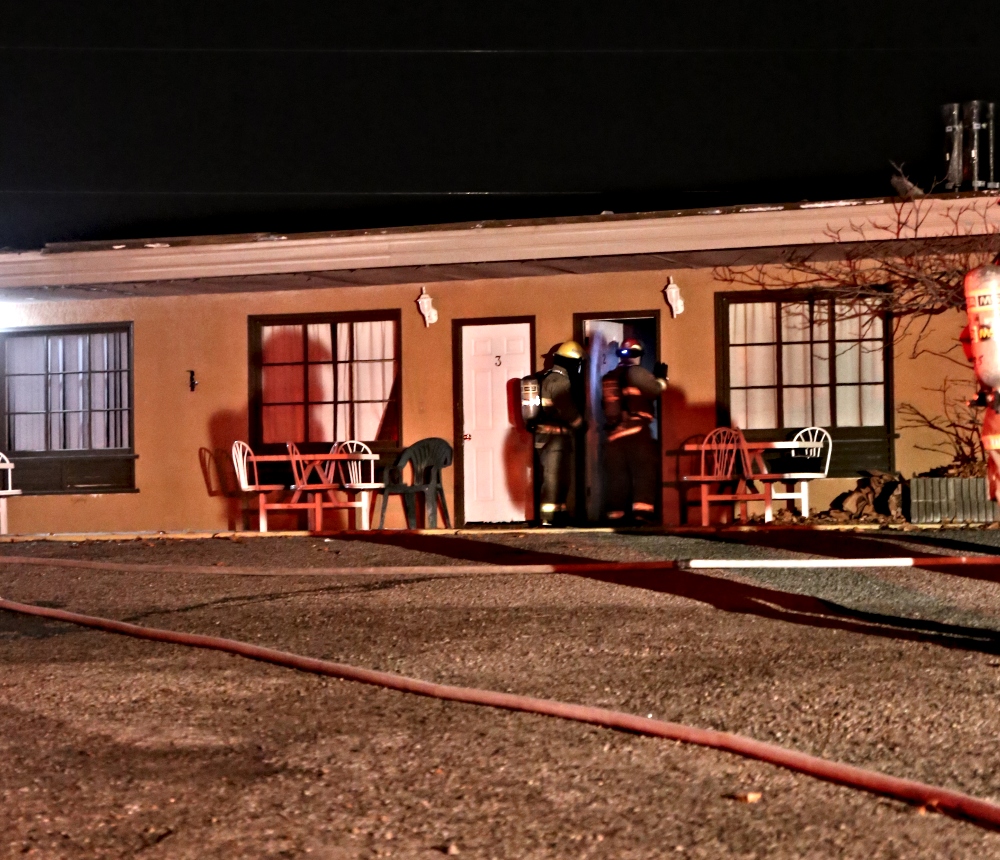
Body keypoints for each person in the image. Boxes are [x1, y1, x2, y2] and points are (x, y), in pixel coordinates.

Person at [601, 338, 668, 525]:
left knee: (617, 478)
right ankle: (642, 517)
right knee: (644, 474)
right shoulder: (637, 372)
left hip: (613, 436)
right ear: (638, 355)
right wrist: (662, 379)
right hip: (637, 433)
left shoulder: (608, 378)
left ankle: (615, 518)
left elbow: (604, 406)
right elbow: (655, 390)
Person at [534, 340, 586, 526]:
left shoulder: (548, 377)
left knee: (560, 478)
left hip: (550, 438)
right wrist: (581, 425)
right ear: (571, 362)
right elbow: (567, 409)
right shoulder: (559, 381)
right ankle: (548, 518)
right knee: (554, 479)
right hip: (553, 439)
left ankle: (559, 514)